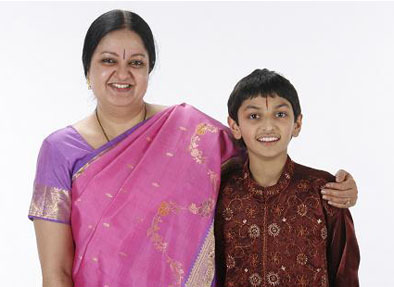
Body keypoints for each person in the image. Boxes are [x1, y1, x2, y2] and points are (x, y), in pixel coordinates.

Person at [28, 10, 359, 287]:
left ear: (149, 70)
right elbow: (55, 272)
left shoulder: (190, 130)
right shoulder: (59, 150)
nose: (122, 73)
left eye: (137, 62)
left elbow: (264, 158)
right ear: (87, 69)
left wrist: (334, 188)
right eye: (108, 60)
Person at [214, 68, 360, 287]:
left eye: (280, 114)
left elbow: (345, 273)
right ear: (235, 126)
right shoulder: (220, 192)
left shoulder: (325, 191)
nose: (268, 126)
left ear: (297, 123)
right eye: (254, 116)